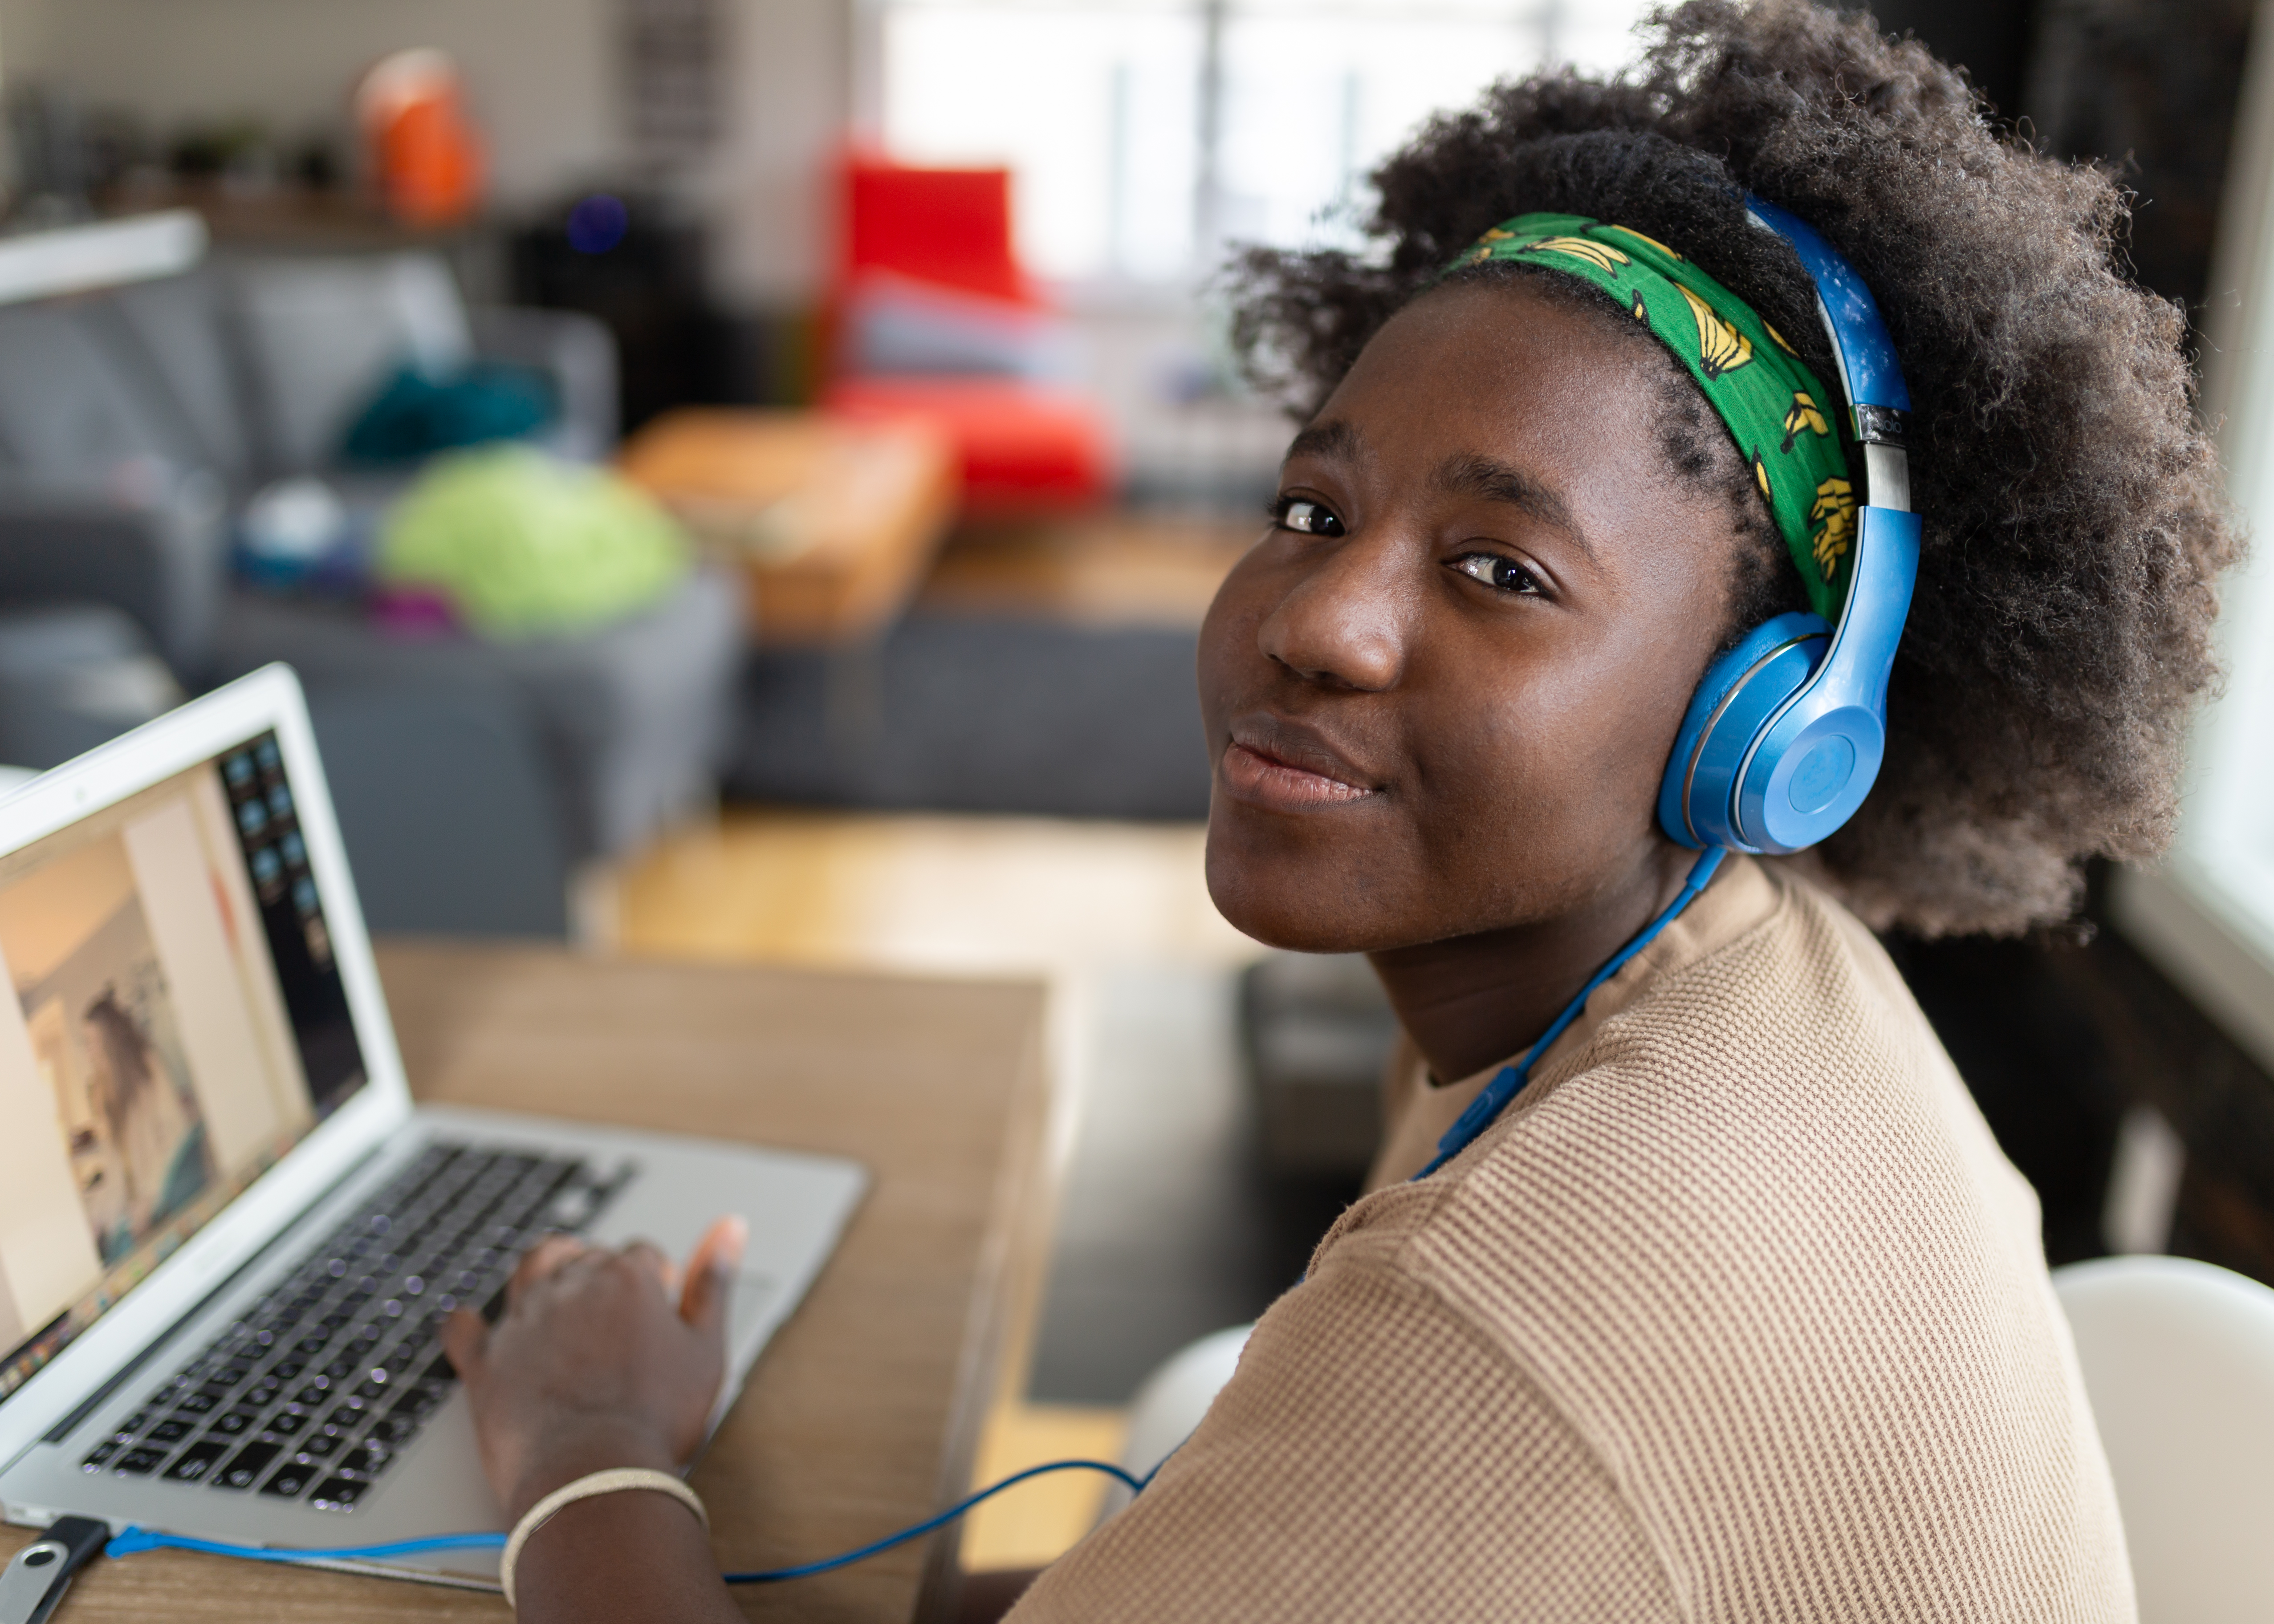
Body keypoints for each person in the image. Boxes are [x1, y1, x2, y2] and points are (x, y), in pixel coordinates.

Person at [437, 3, 2239, 1618]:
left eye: (1497, 569)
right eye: (1312, 511)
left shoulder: (1530, 1311)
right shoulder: (1728, 980)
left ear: (1768, 717)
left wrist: (586, 1448)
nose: (1314, 620)